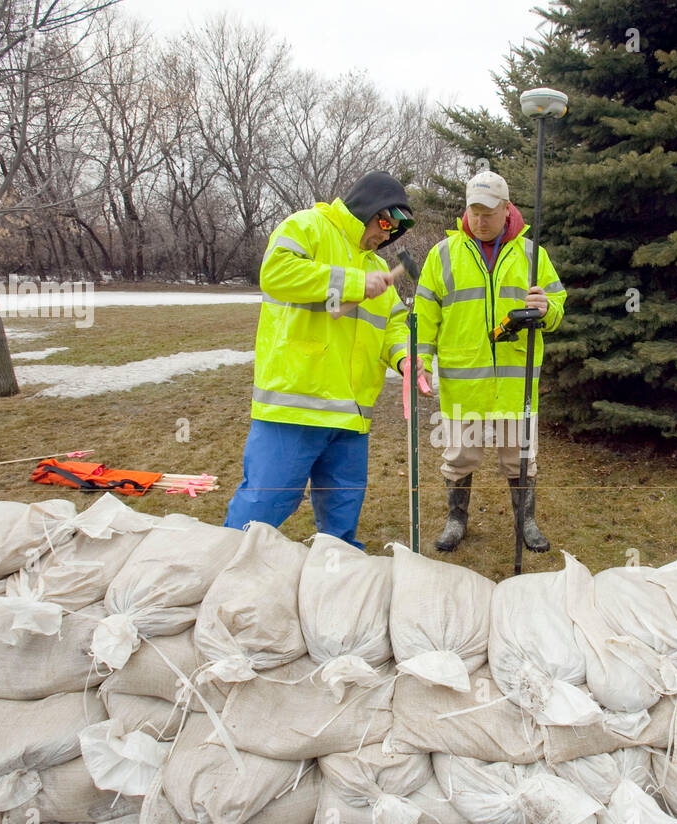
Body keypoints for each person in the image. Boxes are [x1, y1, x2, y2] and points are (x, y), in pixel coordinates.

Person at [223, 170, 420, 548]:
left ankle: (335, 581)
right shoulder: (307, 227)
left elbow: (393, 323)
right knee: (261, 508)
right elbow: (277, 273)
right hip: (295, 406)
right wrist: (352, 282)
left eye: (395, 231)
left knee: (341, 525)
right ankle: (226, 572)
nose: (386, 235)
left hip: (351, 413)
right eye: (384, 222)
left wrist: (404, 358)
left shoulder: (379, 268)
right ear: (367, 207)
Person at [389, 170, 565, 553]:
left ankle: (526, 522)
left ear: (506, 209)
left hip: (514, 387)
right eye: (474, 212)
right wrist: (419, 361)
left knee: (520, 461)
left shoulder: (533, 255)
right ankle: (456, 521)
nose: (480, 220)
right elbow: (425, 316)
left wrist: (546, 308)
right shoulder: (443, 255)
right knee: (458, 459)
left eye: (488, 212)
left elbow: (557, 308)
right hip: (462, 386)